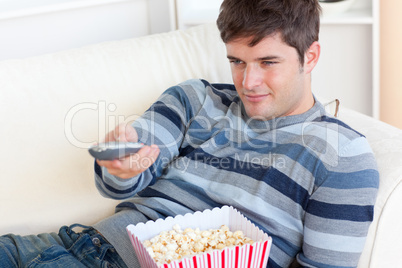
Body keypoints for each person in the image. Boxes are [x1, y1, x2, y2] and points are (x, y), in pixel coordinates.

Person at [0, 0, 379, 267]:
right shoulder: (197, 98)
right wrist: (122, 167)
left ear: (310, 56)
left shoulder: (342, 156)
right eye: (237, 61)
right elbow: (125, 176)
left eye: (268, 62)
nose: (249, 82)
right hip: (60, 243)